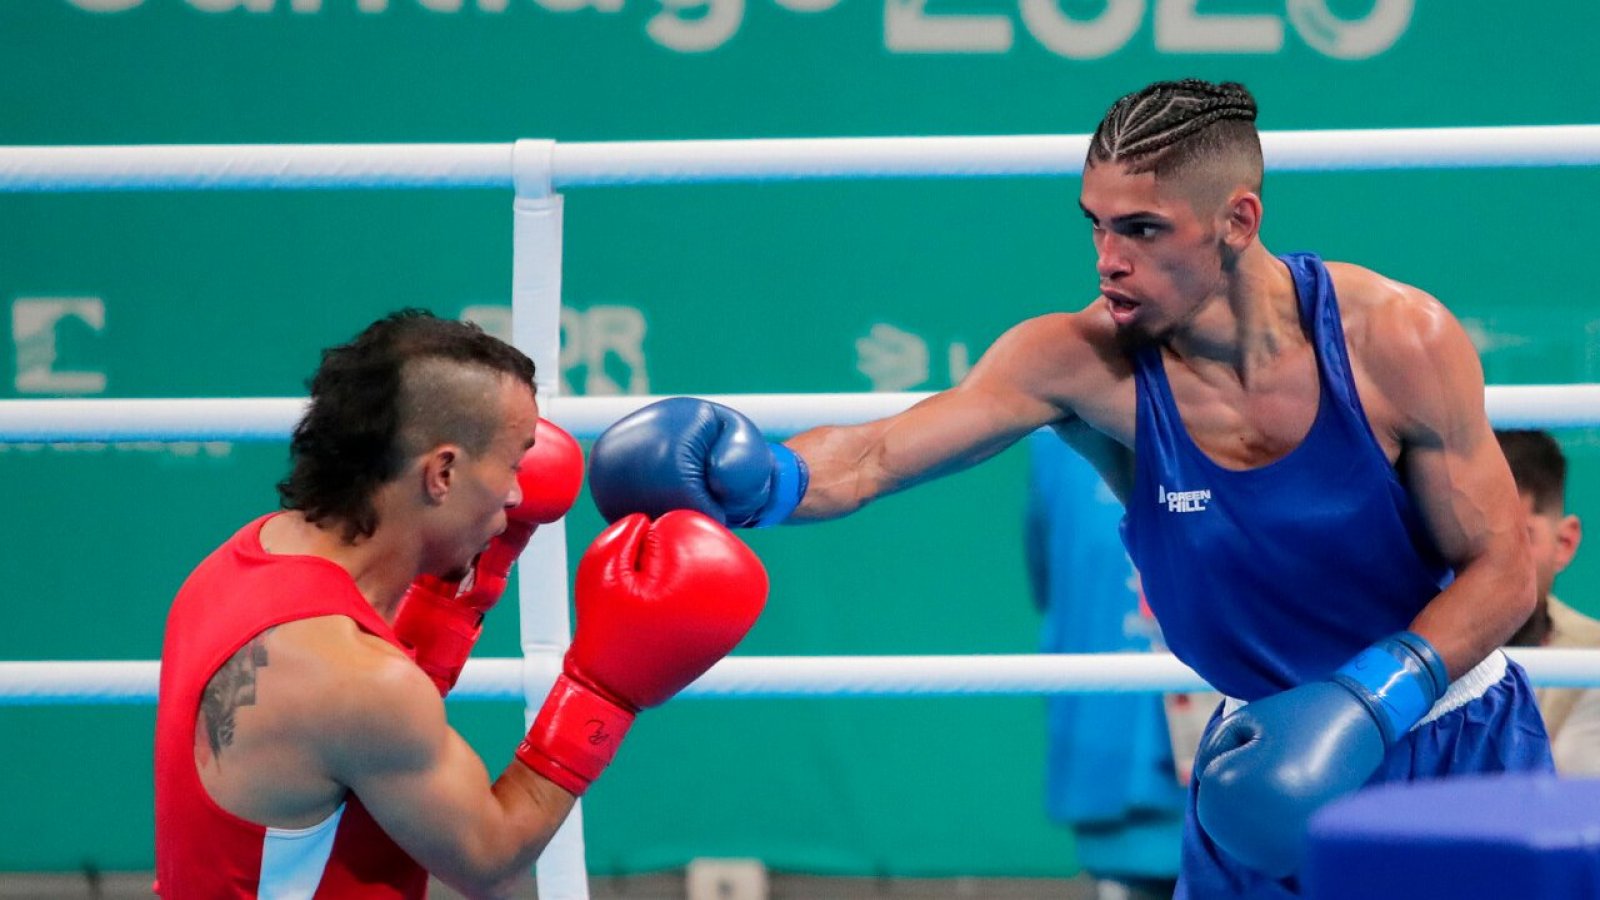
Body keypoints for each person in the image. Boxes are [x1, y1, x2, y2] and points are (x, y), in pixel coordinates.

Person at [580, 79, 1553, 898]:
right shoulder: (1082, 361)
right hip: (1257, 755)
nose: (1107, 260)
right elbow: (875, 455)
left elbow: (1505, 563)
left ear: (1236, 221)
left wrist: (1368, 698)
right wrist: (761, 477)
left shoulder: (1394, 338)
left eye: (1140, 229)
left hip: (1447, 737)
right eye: (1094, 225)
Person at [153, 310, 768, 898]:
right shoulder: (355, 682)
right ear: (441, 473)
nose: (519, 492)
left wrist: (463, 585)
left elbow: (356, 724)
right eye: (512, 461)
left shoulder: (243, 560)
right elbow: (490, 863)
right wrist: (606, 691)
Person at [1024, 430, 1187, 900]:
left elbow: (1044, 576)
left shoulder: (1055, 429)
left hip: (1115, 737)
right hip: (1219, 754)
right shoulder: (1244, 405)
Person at [1498, 429, 1600, 775]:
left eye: (1519, 536)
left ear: (1565, 543)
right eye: (1471, 534)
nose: (1490, 559)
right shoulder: (1401, 642)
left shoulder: (1593, 653)